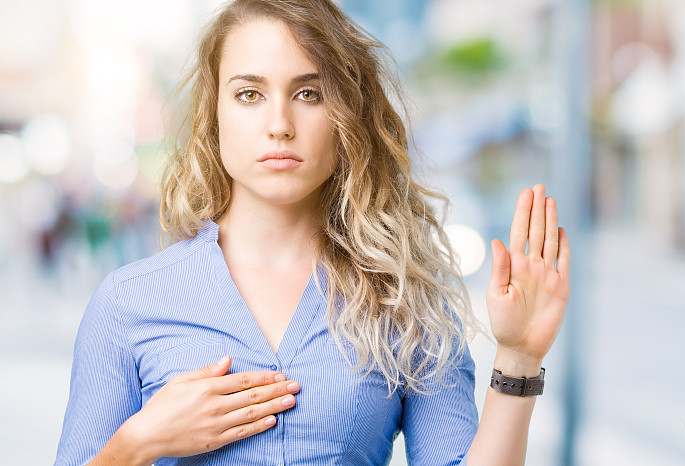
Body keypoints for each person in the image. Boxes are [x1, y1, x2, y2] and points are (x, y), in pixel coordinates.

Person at [55, 0, 571, 464]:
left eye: (308, 92)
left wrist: (519, 359)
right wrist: (140, 441)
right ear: (214, 116)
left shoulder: (405, 301)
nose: (279, 123)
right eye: (250, 93)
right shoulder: (128, 304)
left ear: (346, 115)